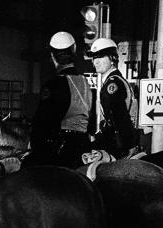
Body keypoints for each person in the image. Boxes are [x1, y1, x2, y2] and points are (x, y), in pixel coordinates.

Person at [27, 31, 92, 169]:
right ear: (73, 52)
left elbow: (42, 123)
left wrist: (34, 147)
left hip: (61, 150)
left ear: (52, 56)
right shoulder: (85, 82)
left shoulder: (54, 84)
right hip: (84, 146)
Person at [88, 37, 136, 158]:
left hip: (115, 143)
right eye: (94, 58)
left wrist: (129, 144)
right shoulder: (116, 80)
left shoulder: (112, 84)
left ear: (112, 59)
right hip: (118, 140)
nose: (96, 62)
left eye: (100, 57)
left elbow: (120, 116)